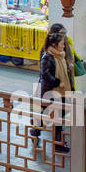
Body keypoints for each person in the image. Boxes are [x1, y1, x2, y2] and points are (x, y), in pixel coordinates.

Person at [30, 23, 76, 155]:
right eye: (62, 33)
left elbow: (69, 65)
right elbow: (44, 73)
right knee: (44, 111)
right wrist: (56, 81)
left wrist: (69, 83)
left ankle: (57, 142)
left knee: (59, 115)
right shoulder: (47, 53)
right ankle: (36, 131)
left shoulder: (64, 47)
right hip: (49, 89)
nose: (64, 36)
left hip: (62, 87)